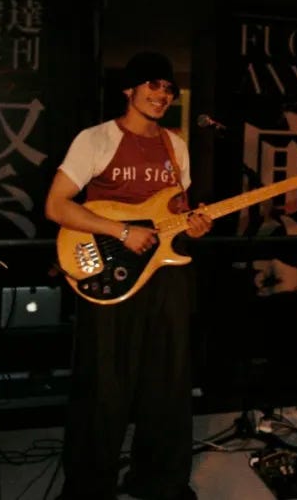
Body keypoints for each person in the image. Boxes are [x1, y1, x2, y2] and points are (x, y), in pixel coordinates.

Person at [46, 51, 213, 500]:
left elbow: (176, 213)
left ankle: (160, 481)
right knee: (104, 381)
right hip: (111, 270)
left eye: (168, 88)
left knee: (169, 379)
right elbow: (57, 205)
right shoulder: (96, 139)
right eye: (153, 85)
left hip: (164, 272)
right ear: (129, 89)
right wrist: (121, 231)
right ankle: (88, 488)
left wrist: (194, 225)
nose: (162, 95)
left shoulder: (176, 145)